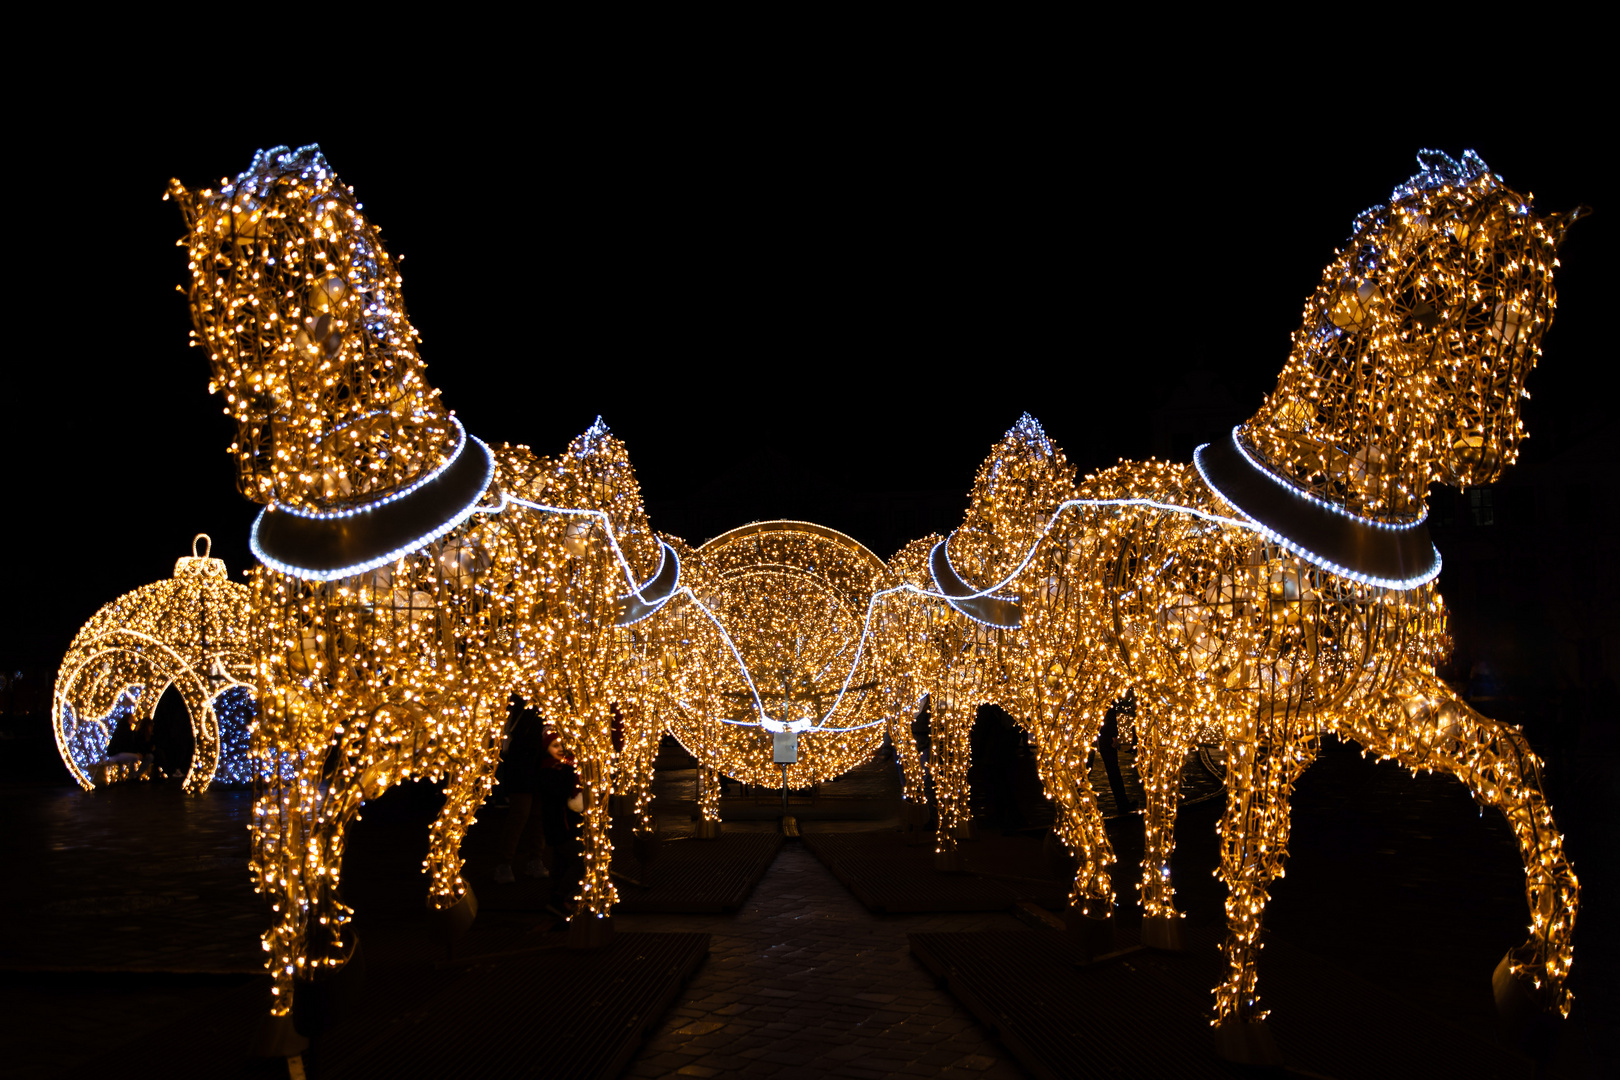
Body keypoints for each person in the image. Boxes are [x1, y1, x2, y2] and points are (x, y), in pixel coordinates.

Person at [493, 695, 549, 884]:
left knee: (537, 813)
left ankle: (533, 859)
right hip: (523, 760)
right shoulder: (521, 700)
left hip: (538, 759)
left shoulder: (540, 699)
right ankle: (506, 862)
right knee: (521, 813)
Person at [537, 730, 585, 921]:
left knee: (561, 863)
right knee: (580, 860)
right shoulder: (550, 769)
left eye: (563, 746)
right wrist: (570, 771)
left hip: (568, 825)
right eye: (555, 746)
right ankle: (559, 897)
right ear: (546, 748)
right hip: (560, 827)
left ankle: (557, 901)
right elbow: (559, 793)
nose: (560, 750)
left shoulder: (569, 766)